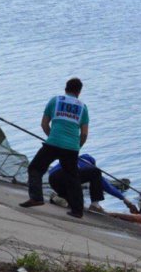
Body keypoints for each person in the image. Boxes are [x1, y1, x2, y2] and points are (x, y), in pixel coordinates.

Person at [19, 78, 89, 218]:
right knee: (72, 178)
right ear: (79, 92)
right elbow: (84, 133)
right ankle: (77, 210)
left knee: (35, 168)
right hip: (71, 148)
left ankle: (37, 198)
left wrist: (52, 137)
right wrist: (77, 146)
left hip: (53, 143)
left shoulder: (55, 101)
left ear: (65, 89)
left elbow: (44, 124)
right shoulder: (83, 107)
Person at [48, 153, 137, 213]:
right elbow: (106, 185)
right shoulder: (87, 165)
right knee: (96, 172)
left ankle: (59, 197)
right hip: (64, 176)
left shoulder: (72, 161)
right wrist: (125, 200)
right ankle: (95, 204)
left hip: (54, 181)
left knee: (77, 204)